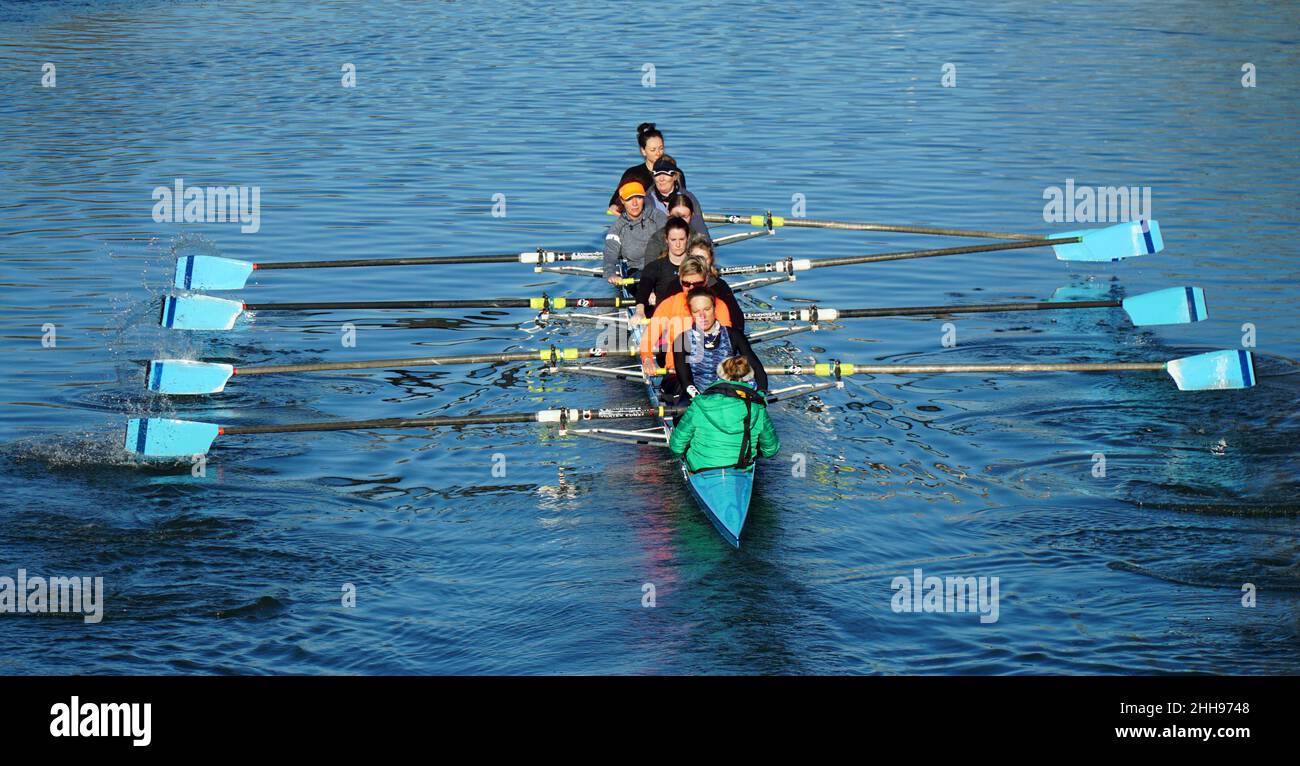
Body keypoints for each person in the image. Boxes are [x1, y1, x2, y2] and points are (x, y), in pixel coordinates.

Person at [668, 355, 780, 475]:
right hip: (741, 467)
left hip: (701, 467)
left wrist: (681, 455)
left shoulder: (699, 403)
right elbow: (771, 450)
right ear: (748, 377)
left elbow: (676, 446)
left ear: (721, 375)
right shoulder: (758, 406)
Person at [639, 256, 733, 381]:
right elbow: (649, 337)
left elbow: (727, 343)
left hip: (713, 373)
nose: (691, 289)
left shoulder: (719, 306)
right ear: (680, 281)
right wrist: (647, 359)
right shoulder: (670, 304)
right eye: (686, 284)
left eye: (697, 284)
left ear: (706, 280)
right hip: (676, 373)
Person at [669, 287, 768, 404]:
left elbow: (756, 367)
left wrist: (761, 393)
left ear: (715, 308)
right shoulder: (681, 340)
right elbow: (685, 381)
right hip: (698, 398)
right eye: (696, 311)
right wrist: (700, 400)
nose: (702, 316)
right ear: (691, 313)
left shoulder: (733, 335)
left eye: (707, 309)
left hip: (730, 395)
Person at [606, 123, 687, 214]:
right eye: (653, 150)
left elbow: (683, 200)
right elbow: (615, 201)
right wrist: (614, 206)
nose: (658, 153)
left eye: (661, 148)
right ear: (643, 151)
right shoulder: (633, 173)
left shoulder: (675, 173)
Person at [603, 180, 667, 284]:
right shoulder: (617, 228)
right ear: (622, 201)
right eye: (629, 199)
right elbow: (610, 255)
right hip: (636, 274)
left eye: (639, 198)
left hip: (661, 268)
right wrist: (611, 273)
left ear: (644, 198)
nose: (635, 203)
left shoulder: (658, 217)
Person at [635, 216, 691, 320]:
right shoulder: (655, 267)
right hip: (663, 321)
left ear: (688, 238)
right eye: (673, 240)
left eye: (682, 239)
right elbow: (643, 290)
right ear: (666, 239)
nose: (678, 244)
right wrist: (639, 311)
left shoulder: (696, 267)